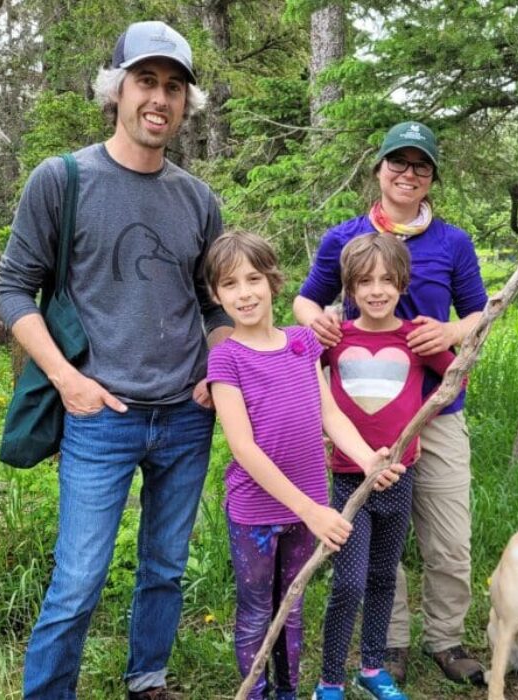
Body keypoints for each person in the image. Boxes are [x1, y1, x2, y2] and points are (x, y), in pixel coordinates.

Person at [0, 21, 232, 700]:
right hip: (100, 416)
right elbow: (12, 287)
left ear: (187, 104)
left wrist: (217, 370)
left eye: (175, 87)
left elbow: (214, 304)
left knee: (165, 567)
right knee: (78, 581)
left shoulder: (197, 199)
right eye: (147, 82)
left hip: (186, 416)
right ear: (116, 90)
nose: (160, 98)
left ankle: (147, 677)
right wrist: (70, 383)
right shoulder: (63, 179)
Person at [293, 121, 488, 686]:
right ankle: (389, 645)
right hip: (364, 421)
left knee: (448, 536)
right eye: (397, 164)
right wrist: (324, 323)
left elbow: (480, 315)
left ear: (432, 180)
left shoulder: (453, 243)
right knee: (380, 535)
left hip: (438, 411)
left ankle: (446, 639)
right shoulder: (344, 238)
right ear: (378, 170)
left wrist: (452, 335)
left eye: (420, 167)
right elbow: (307, 302)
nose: (408, 175)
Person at [204, 231, 405, 700]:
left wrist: (365, 458)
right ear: (217, 295)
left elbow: (329, 414)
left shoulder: (301, 344)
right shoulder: (226, 359)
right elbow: (245, 449)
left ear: (273, 282)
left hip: (308, 506)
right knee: (257, 608)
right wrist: (312, 510)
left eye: (253, 278)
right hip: (256, 510)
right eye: (230, 284)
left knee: (292, 606)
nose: (244, 292)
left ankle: (287, 693)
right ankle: (256, 693)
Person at [312, 233, 462, 700]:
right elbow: (303, 373)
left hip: (401, 475)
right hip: (349, 477)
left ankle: (372, 668)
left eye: (386, 280)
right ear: (350, 289)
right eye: (364, 282)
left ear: (402, 283)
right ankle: (330, 678)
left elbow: (454, 378)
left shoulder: (414, 337)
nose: (376, 290)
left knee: (383, 575)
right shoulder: (337, 338)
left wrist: (419, 422)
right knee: (349, 581)